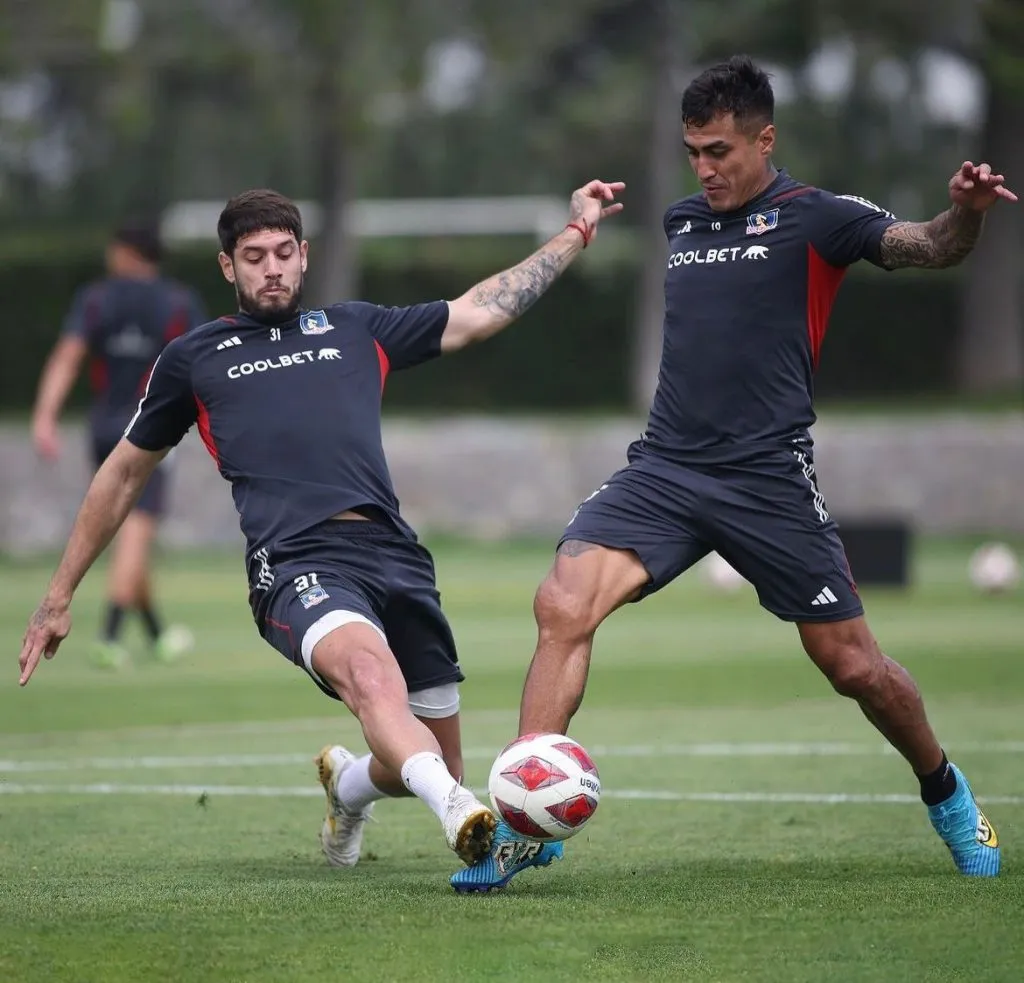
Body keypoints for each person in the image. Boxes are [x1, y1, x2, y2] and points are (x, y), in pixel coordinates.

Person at [455, 55, 1016, 891]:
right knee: (562, 603)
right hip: (666, 469)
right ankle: (525, 823)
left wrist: (965, 211)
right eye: (693, 153)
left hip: (767, 478)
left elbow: (930, 245)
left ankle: (947, 792)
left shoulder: (818, 216)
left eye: (719, 151)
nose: (705, 169)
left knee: (854, 667)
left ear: (765, 139)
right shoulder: (683, 222)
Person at [18, 180, 625, 886]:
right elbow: (123, 474)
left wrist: (575, 234)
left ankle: (349, 786)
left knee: (431, 757)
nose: (272, 268)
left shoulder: (357, 328)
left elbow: (479, 310)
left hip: (396, 557)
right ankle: (459, 812)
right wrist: (58, 595)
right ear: (228, 266)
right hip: (295, 560)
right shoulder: (195, 357)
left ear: (304, 255)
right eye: (254, 257)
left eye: (283, 253)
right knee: (371, 677)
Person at [31, 220, 206, 669]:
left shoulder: (95, 298)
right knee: (135, 532)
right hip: (153, 430)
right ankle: (109, 636)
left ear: (128, 251)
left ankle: (157, 633)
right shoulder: (179, 301)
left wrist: (45, 416)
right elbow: (205, 366)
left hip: (104, 430)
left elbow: (68, 356)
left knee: (124, 527)